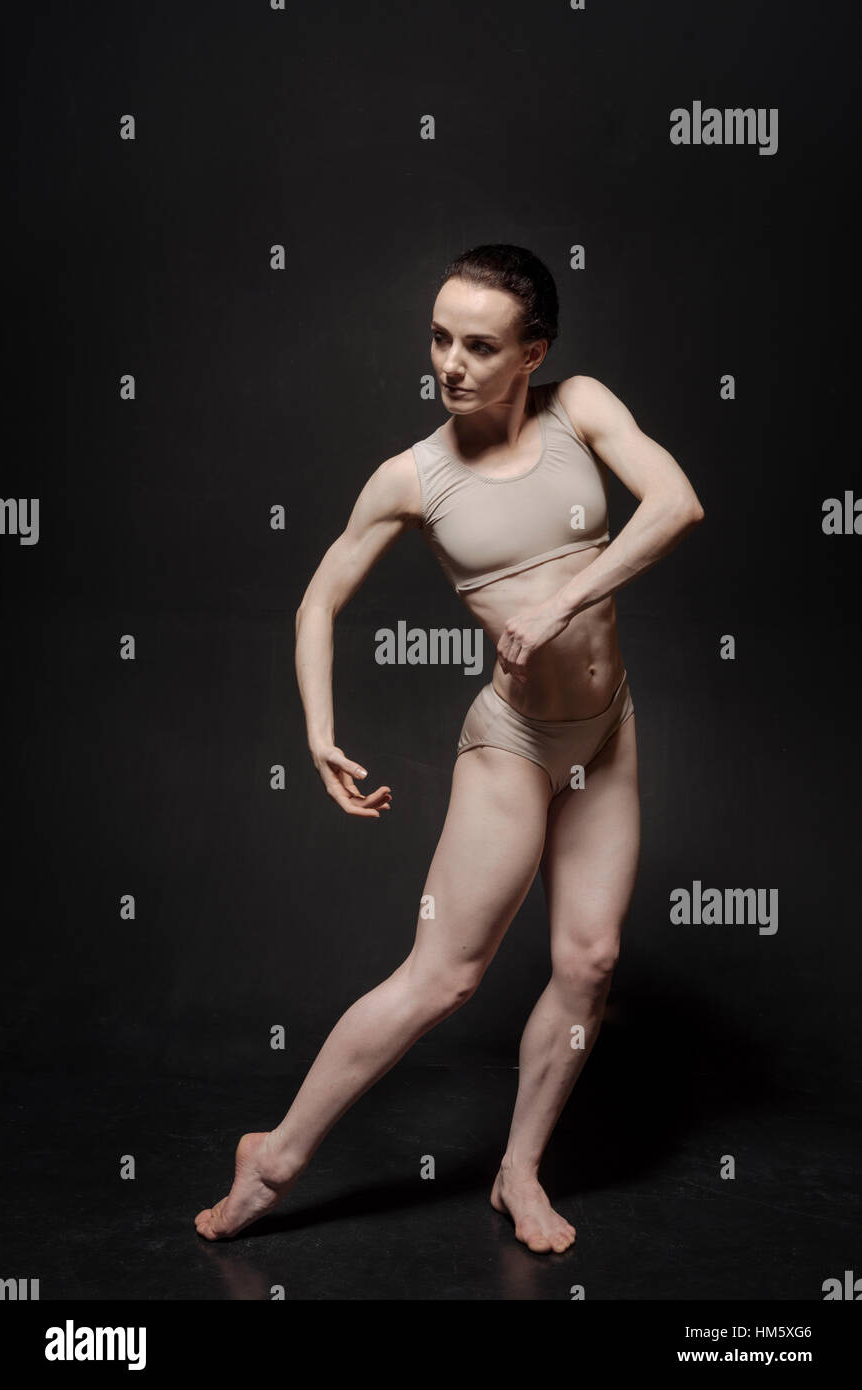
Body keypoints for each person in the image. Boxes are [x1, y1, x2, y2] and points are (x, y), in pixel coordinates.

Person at [195, 244, 704, 1253]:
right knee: (445, 977)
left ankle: (519, 1169)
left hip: (605, 733)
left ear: (534, 352)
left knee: (590, 961)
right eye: (439, 338)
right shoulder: (414, 477)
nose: (451, 363)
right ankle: (278, 1158)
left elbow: (677, 504)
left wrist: (560, 597)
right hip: (512, 742)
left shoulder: (581, 408)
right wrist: (317, 730)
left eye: (479, 344)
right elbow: (321, 596)